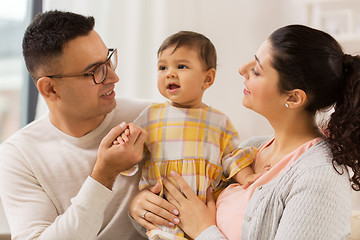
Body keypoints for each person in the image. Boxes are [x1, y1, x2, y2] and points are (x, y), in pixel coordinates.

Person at [130, 24, 360, 240]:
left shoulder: (320, 175)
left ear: (293, 97)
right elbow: (184, 215)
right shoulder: (249, 149)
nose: (242, 70)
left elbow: (197, 224)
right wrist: (142, 207)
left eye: (257, 70)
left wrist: (204, 231)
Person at [0, 10, 158, 240]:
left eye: (109, 60)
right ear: (50, 89)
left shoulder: (151, 117)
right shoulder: (19, 156)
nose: (113, 77)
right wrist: (104, 174)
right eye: (95, 71)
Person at [117, 31, 260, 239]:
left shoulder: (219, 121)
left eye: (181, 66)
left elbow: (233, 156)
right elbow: (131, 154)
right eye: (162, 67)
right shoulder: (150, 116)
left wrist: (248, 178)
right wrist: (125, 144)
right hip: (163, 217)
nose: (169, 73)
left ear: (207, 78)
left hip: (205, 215)